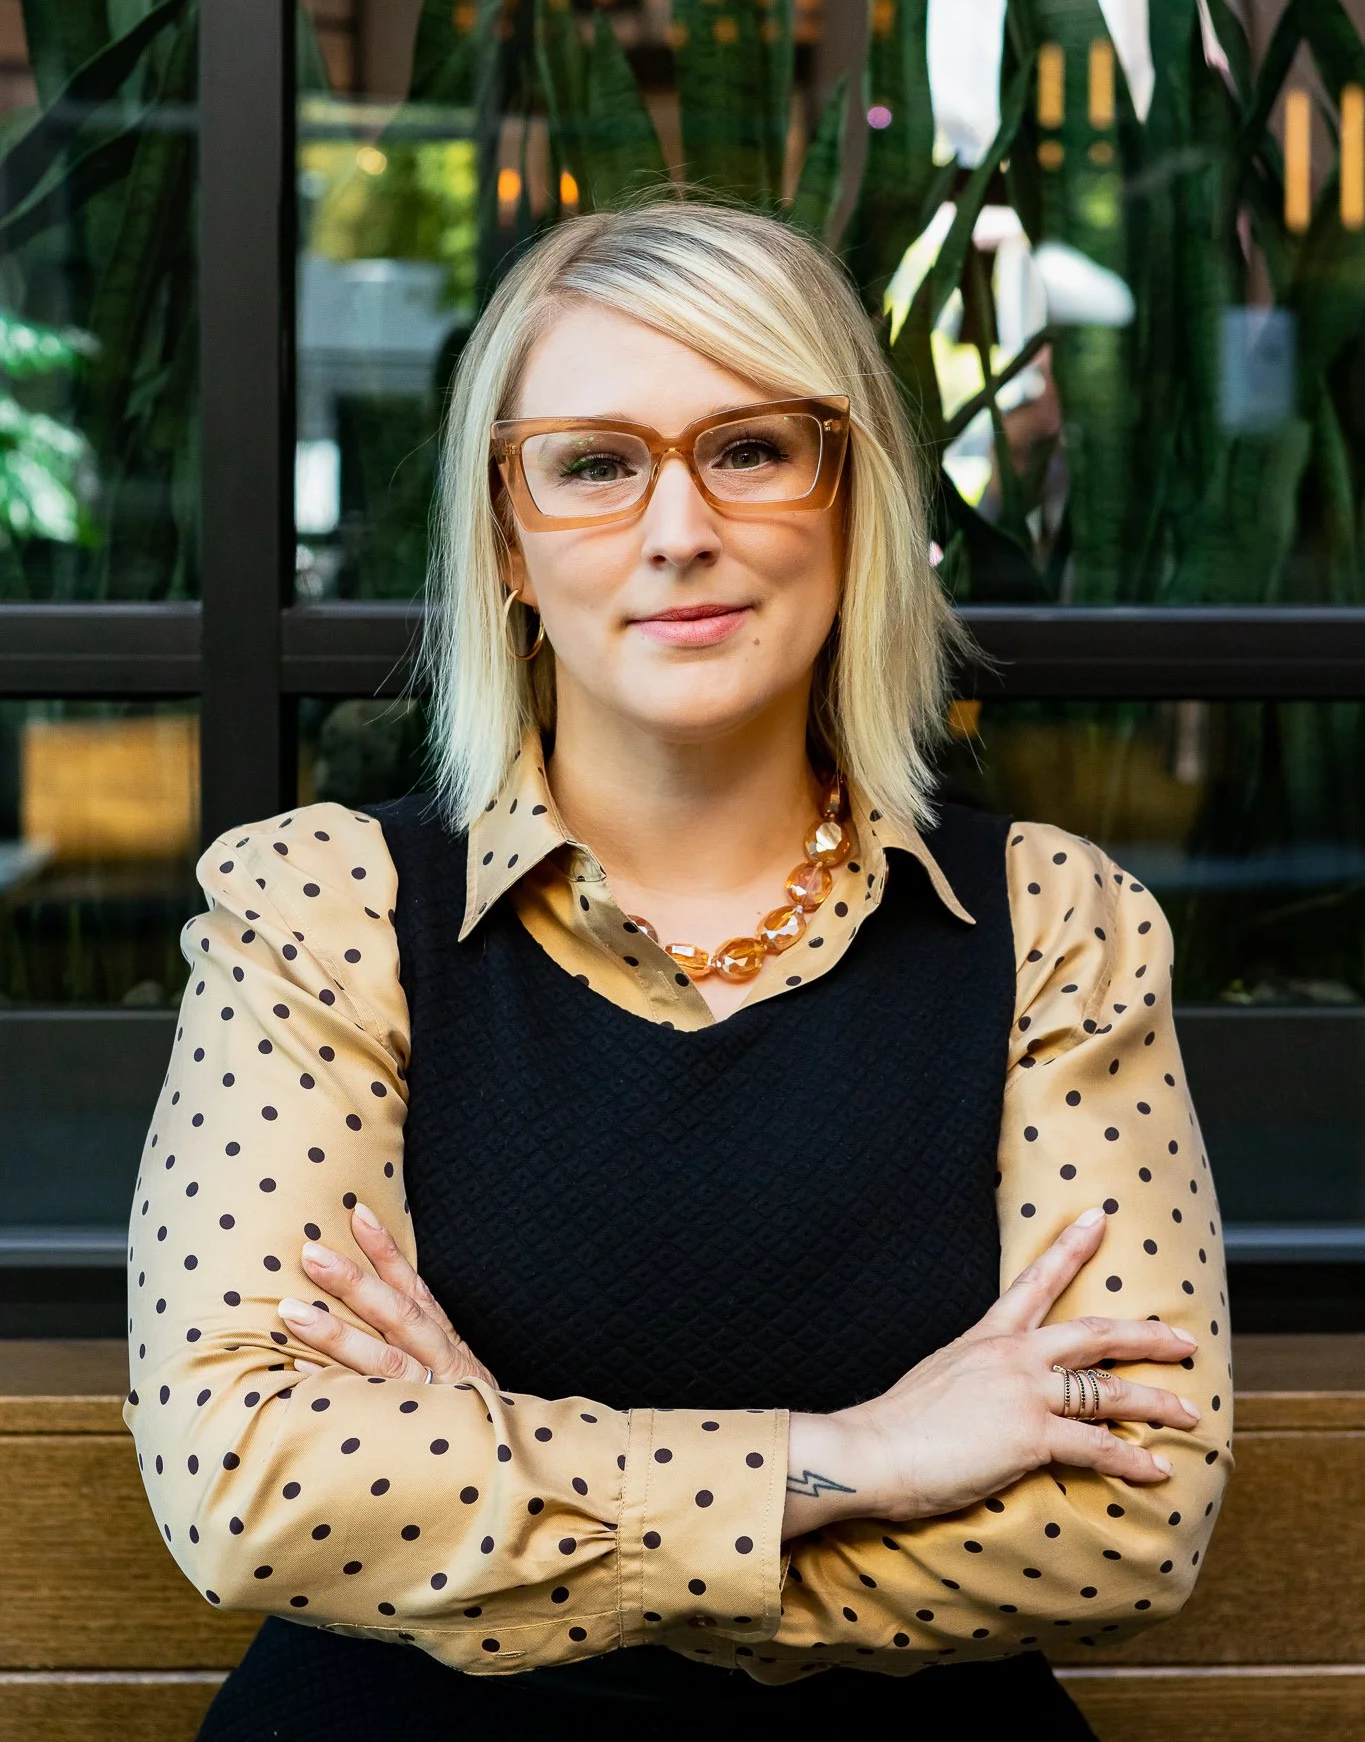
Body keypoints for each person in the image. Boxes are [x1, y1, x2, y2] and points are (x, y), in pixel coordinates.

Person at [127, 203, 1231, 1740]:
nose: (678, 528)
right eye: (593, 464)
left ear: (854, 502)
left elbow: (1127, 1526)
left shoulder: (1056, 926)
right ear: (506, 540)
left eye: (754, 448)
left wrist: (495, 1470)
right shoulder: (321, 906)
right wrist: (858, 1459)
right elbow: (250, 1483)